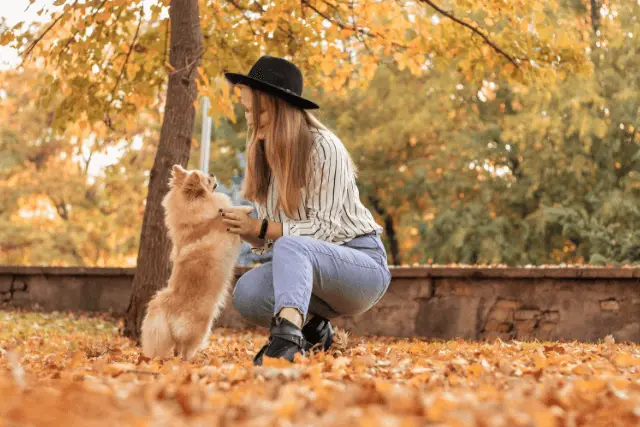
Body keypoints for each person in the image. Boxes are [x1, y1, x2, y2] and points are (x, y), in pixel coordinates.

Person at [220, 55, 391, 365]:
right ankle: (315, 331)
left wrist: (261, 227)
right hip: (307, 267)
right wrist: (246, 230)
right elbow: (276, 245)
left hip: (361, 267)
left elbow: (322, 230)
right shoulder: (266, 157)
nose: (247, 120)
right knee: (247, 293)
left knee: (291, 245)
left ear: (276, 107)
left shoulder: (324, 147)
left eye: (254, 111)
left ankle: (286, 342)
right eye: (245, 110)